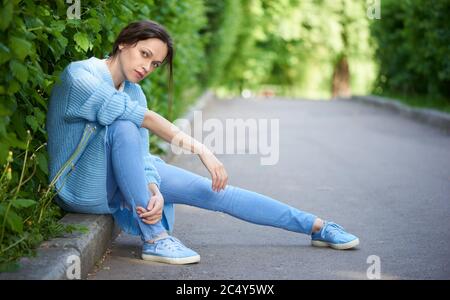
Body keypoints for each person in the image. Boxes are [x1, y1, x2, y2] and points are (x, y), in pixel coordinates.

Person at [46, 20, 359, 265]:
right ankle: (155, 239)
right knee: (126, 126)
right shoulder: (80, 76)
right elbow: (142, 123)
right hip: (79, 187)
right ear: (123, 42)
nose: (147, 67)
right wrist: (202, 149)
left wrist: (152, 187)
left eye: (155, 64)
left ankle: (316, 226)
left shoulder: (134, 91)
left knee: (214, 192)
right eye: (145, 54)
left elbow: (139, 155)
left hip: (116, 176)